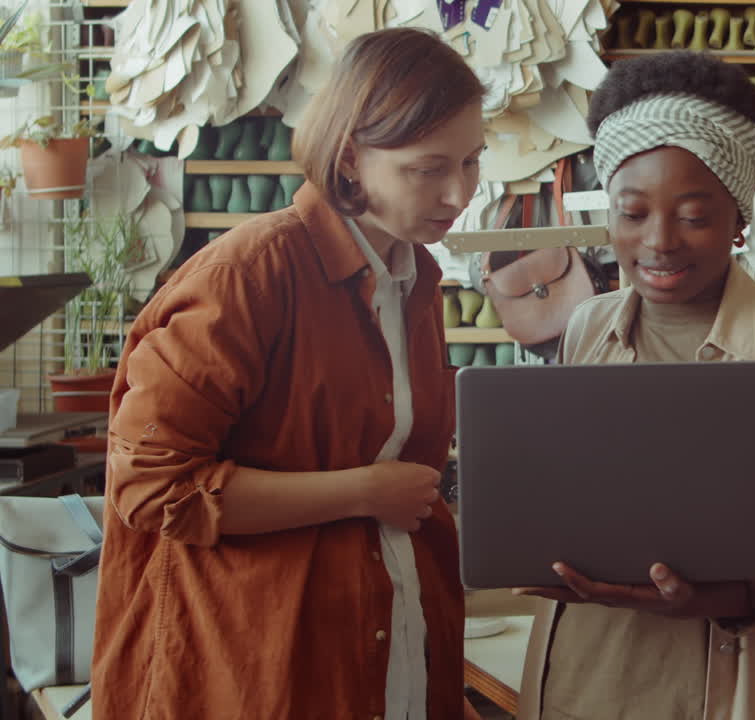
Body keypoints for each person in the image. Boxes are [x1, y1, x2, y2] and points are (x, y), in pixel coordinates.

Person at [92, 28, 486, 719]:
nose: (459, 193)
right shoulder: (249, 275)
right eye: (428, 169)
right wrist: (362, 491)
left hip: (383, 656)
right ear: (350, 157)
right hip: (257, 670)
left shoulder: (414, 277)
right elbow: (153, 487)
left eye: (472, 161)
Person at [513, 51, 755, 720]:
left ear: (739, 218)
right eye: (632, 213)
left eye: (695, 216)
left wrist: (709, 600)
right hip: (587, 676)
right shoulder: (587, 327)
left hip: (733, 683)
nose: (659, 241)